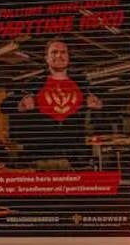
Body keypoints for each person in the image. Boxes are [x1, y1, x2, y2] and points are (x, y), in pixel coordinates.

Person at [13, 38, 103, 168]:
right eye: (54, 52)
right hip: (42, 157)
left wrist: (97, 103)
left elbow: (101, 103)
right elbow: (11, 106)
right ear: (46, 58)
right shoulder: (34, 84)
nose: (59, 55)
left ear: (68, 57)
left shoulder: (81, 83)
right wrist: (21, 105)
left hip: (75, 156)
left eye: (63, 52)